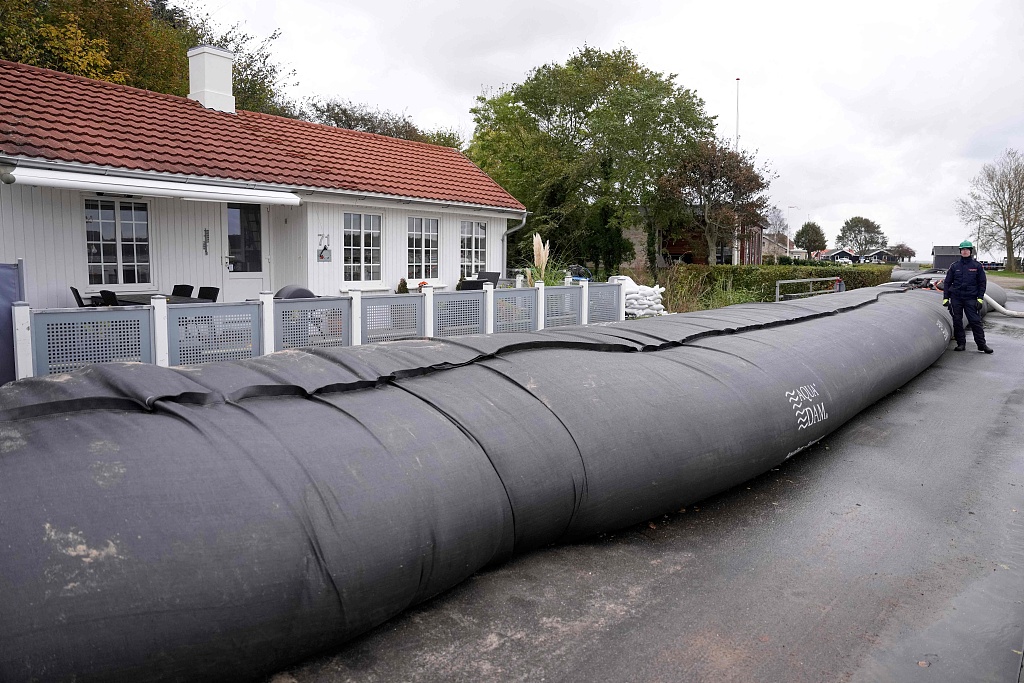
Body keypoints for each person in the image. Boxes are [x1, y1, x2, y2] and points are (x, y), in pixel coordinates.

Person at [942, 240, 993, 353]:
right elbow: (947, 282)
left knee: (975, 321)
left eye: (967, 250)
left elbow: (982, 283)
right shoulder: (954, 266)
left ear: (971, 251)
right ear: (960, 251)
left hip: (971, 298)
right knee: (957, 321)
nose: (965, 252)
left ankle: (981, 345)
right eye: (963, 250)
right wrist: (946, 297)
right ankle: (961, 344)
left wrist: (980, 298)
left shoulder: (977, 266)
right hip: (956, 298)